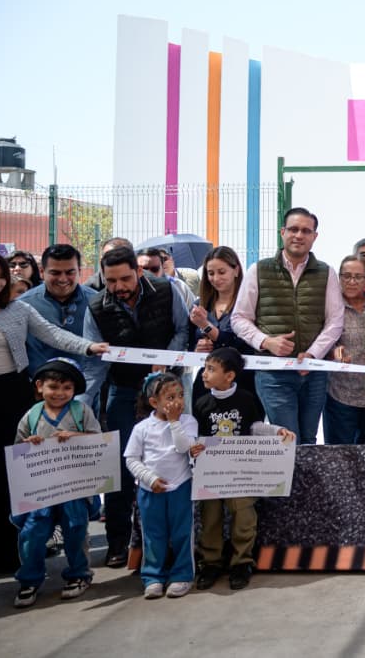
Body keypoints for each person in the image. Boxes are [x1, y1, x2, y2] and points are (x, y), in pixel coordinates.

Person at [0, 251, 107, 582]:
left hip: (13, 396)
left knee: (14, 476)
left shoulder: (18, 309)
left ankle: (8, 552)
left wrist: (88, 347)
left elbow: (53, 334)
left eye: (1, 276)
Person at [84, 245, 189, 568]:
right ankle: (118, 542)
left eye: (125, 279)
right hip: (123, 391)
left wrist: (166, 359)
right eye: (111, 280)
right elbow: (96, 360)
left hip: (167, 389)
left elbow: (182, 329)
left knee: (172, 460)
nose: (118, 287)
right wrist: (82, 404)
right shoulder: (96, 307)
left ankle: (173, 544)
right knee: (121, 466)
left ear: (139, 271)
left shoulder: (166, 291)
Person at [232, 207, 344, 444]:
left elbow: (335, 321)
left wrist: (313, 354)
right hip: (273, 373)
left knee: (309, 440)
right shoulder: (258, 270)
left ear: (314, 236)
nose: (299, 235)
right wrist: (266, 341)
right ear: (282, 232)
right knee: (287, 442)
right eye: (293, 229)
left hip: (313, 373)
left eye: (306, 231)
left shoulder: (327, 273)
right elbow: (239, 318)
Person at [192, 347, 294, 591]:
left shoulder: (247, 399)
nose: (204, 374)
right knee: (210, 517)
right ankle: (211, 562)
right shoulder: (201, 403)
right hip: (212, 473)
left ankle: (242, 562)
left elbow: (255, 426)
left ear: (230, 375)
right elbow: (195, 436)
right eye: (204, 368)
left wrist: (276, 430)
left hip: (240, 473)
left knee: (244, 515)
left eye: (211, 369)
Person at [10, 359, 100, 608]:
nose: (60, 393)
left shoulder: (81, 411)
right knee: (32, 532)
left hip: (74, 487)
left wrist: (76, 436)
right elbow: (17, 451)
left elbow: (99, 442)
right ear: (40, 386)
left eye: (66, 388)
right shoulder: (32, 415)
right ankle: (29, 579)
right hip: (42, 489)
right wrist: (29, 443)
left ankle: (79, 574)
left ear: (74, 390)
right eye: (53, 387)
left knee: (76, 528)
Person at [124, 372, 201, 599]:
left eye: (180, 395)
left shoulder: (188, 421)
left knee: (182, 534)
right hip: (150, 491)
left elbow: (183, 447)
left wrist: (174, 422)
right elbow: (131, 459)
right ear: (154, 402)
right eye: (170, 397)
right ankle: (153, 577)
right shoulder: (142, 428)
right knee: (153, 535)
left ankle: (182, 575)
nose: (177, 402)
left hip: (181, 487)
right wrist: (149, 479)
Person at [18, 244, 106, 412]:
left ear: (79, 271)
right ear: (42, 272)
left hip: (86, 393)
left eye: (70, 272)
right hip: (38, 396)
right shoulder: (24, 305)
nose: (63, 279)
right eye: (55, 273)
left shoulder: (97, 302)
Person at [188, 246, 259, 409]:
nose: (215, 278)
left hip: (243, 382)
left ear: (236, 271)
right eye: (210, 273)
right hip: (207, 386)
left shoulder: (250, 304)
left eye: (221, 272)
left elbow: (241, 343)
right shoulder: (199, 305)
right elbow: (188, 341)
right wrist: (197, 348)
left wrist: (206, 326)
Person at [324, 255, 365, 445]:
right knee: (339, 455)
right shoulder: (330, 306)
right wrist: (333, 351)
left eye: (358, 277)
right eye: (346, 276)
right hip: (340, 395)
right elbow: (318, 340)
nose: (352, 281)